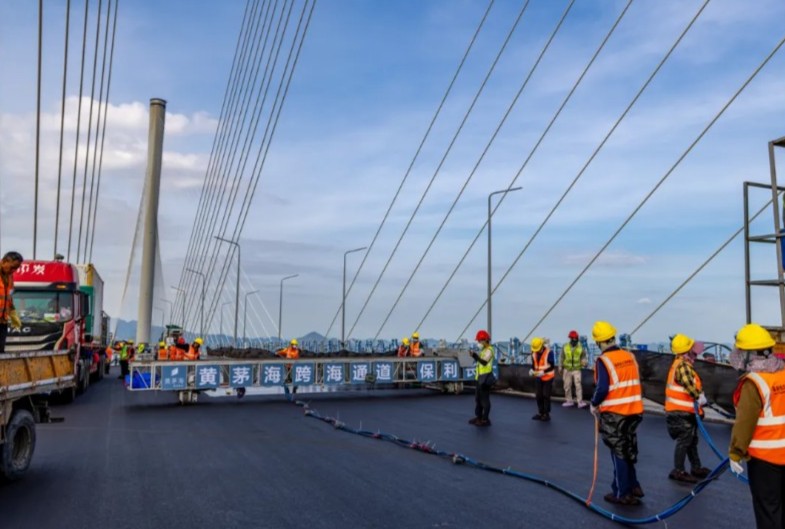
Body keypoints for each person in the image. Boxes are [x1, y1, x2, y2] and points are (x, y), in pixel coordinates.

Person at [728, 323, 785, 529]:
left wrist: (736, 452)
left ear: (750, 355)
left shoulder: (754, 383)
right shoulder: (782, 374)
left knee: (768, 510)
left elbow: (745, 423)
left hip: (766, 460)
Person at [589, 321, 644, 506]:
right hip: (634, 411)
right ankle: (633, 485)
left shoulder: (603, 361)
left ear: (599, 343)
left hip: (615, 414)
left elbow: (602, 388)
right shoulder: (630, 356)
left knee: (618, 453)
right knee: (627, 449)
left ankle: (623, 493)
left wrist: (594, 403)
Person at [664, 333, 711, 483]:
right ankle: (678, 470)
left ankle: (696, 467)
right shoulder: (682, 366)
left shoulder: (683, 364)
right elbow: (689, 385)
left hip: (684, 411)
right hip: (680, 412)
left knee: (691, 440)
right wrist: (699, 396)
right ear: (686, 350)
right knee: (685, 440)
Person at [468, 330, 494, 426]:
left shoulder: (490, 350)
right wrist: (474, 356)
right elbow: (480, 361)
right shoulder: (483, 350)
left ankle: (485, 419)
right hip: (479, 377)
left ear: (485, 340)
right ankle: (479, 416)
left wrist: (475, 356)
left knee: (485, 400)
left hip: (485, 378)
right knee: (478, 399)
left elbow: (484, 362)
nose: (478, 343)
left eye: (479, 341)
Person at [0, 251, 23, 354]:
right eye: (12, 267)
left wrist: (13, 314)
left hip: (2, 321)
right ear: (4, 261)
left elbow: (9, 297)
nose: (13, 271)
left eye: (16, 268)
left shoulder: (10, 277)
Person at [560, 330, 588, 408]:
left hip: (576, 369)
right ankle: (569, 401)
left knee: (578, 385)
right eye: (573, 338)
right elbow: (562, 357)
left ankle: (580, 401)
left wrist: (584, 362)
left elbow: (583, 357)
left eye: (576, 338)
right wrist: (560, 366)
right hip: (567, 369)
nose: (575, 340)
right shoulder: (565, 346)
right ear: (570, 338)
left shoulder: (580, 347)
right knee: (567, 385)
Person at [530, 337, 555, 421]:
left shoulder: (549, 352)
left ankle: (546, 414)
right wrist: (532, 370)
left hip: (548, 377)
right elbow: (534, 365)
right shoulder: (533, 353)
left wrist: (543, 372)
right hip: (538, 377)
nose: (536, 350)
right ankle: (540, 412)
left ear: (541, 346)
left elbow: (552, 366)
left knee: (546, 395)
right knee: (538, 395)